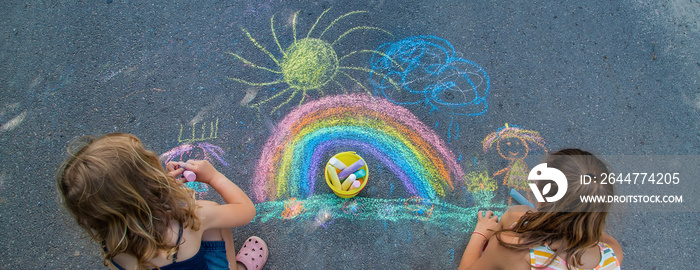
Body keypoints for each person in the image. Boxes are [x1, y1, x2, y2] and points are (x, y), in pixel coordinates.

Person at [56, 133, 268, 270]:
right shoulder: (193, 218)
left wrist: (159, 191)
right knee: (213, 215)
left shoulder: (110, 242)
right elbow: (245, 211)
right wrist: (214, 177)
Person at [458, 149, 624, 270]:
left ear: (543, 199)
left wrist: (481, 233)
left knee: (516, 214)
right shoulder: (613, 254)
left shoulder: (513, 249)